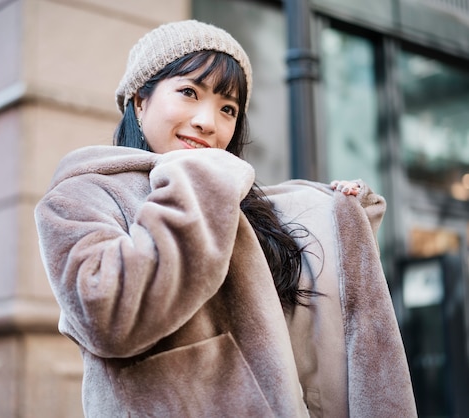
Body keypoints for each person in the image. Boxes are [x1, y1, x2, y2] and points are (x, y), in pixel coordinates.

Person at [35, 20, 417, 417]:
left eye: (228, 109)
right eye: (188, 92)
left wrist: (340, 220)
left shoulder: (235, 202)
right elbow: (108, 317)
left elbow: (309, 339)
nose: (208, 122)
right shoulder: (82, 194)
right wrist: (197, 179)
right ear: (139, 101)